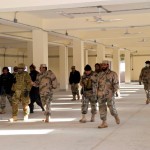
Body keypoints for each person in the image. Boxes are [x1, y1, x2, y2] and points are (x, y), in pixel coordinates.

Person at [97, 60, 120, 128]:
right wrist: (96, 92)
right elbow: (96, 84)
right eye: (102, 65)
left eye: (105, 65)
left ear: (107, 65)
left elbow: (116, 83)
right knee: (101, 108)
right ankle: (104, 122)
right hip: (101, 94)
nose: (103, 66)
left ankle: (116, 116)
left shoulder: (113, 74)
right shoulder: (99, 74)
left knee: (111, 108)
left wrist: (115, 92)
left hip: (110, 94)